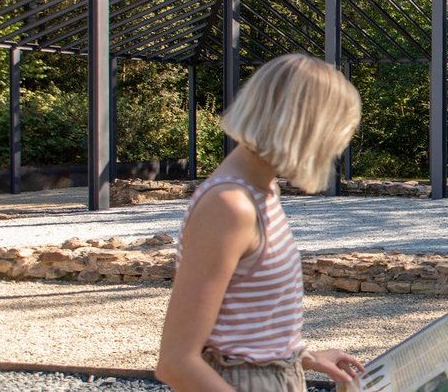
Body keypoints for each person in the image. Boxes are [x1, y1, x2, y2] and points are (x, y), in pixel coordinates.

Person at [156, 54, 365, 391]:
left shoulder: (262, 190)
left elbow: (239, 327)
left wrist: (304, 356)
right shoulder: (230, 207)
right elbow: (176, 363)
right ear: (305, 128)